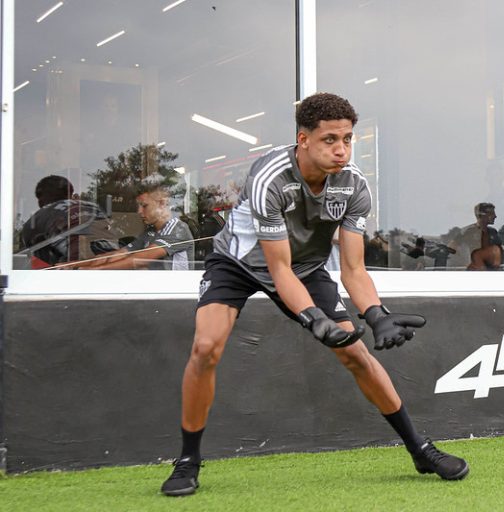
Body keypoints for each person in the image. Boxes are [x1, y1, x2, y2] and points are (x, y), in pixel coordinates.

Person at [160, 93, 469, 497]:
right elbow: (277, 270)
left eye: (348, 139)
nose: (341, 149)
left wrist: (375, 313)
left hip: (305, 267)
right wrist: (312, 318)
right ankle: (187, 461)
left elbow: (354, 269)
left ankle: (420, 450)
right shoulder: (270, 178)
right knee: (205, 348)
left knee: (356, 354)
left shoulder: (354, 186)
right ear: (303, 139)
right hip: (237, 264)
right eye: (329, 140)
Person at [69, 177, 194, 270]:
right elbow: (120, 254)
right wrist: (73, 265)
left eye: (144, 206)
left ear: (162, 203)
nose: (139, 212)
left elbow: (139, 259)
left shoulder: (178, 229)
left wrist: (92, 270)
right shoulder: (151, 232)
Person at [19, 175, 114, 269]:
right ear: (70, 193)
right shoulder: (92, 207)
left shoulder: (35, 220)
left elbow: (26, 260)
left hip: (76, 272)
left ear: (41, 199)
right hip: (116, 264)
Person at [449, 203, 504, 270]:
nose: (495, 216)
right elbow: (451, 247)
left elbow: (501, 251)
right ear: (482, 215)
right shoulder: (468, 231)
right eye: (491, 214)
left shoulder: (493, 232)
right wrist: (465, 262)